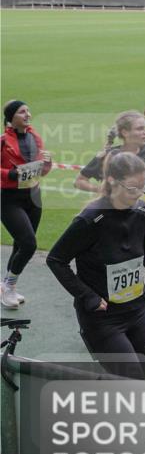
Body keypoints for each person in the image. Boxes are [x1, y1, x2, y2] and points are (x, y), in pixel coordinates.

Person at [47, 152, 145, 380]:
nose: (139, 194)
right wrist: (88, 296)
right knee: (131, 378)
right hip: (103, 318)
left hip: (136, 310)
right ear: (112, 182)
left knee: (139, 377)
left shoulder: (143, 211)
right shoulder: (90, 219)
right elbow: (56, 260)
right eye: (132, 188)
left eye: (143, 187)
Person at [74, 110, 145, 363]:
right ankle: (103, 333)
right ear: (125, 132)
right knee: (111, 273)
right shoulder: (111, 157)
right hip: (111, 221)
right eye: (139, 128)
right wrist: (105, 191)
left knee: (133, 272)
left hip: (138, 220)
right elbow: (79, 181)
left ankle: (135, 339)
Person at [1, 100, 53, 309]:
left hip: (33, 197)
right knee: (29, 244)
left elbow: (41, 170)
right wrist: (10, 174)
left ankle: (7, 285)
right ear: (11, 117)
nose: (28, 115)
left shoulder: (35, 137)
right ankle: (8, 287)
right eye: (22, 112)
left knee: (20, 244)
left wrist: (47, 164)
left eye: (28, 111)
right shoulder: (3, 141)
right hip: (9, 199)